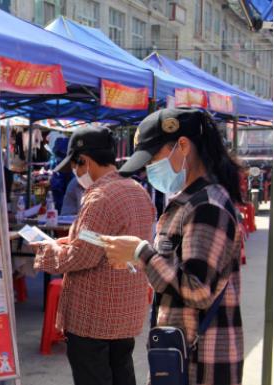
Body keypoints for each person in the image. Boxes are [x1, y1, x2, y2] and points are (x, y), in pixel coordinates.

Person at [103, 108, 244, 385]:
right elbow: (178, 269)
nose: (149, 169)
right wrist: (137, 259)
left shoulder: (206, 206)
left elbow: (198, 288)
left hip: (204, 364)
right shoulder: (189, 200)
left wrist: (141, 252)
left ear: (182, 145)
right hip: (180, 355)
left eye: (154, 158)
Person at [32, 126, 156, 385]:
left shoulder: (99, 197)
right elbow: (100, 241)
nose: (76, 174)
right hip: (126, 311)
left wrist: (45, 249)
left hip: (94, 316)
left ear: (85, 161)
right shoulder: (137, 190)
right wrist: (72, 241)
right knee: (123, 374)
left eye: (76, 167)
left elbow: (81, 257)